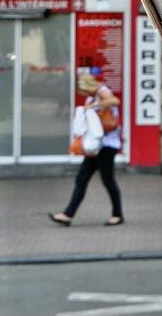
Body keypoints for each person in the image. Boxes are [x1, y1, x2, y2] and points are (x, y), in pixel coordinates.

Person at [49, 72, 124, 226]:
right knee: (82, 179)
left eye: (83, 91)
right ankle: (67, 215)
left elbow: (115, 100)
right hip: (95, 145)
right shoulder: (91, 97)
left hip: (107, 145)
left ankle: (118, 214)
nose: (83, 94)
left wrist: (94, 105)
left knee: (108, 180)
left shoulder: (102, 91)